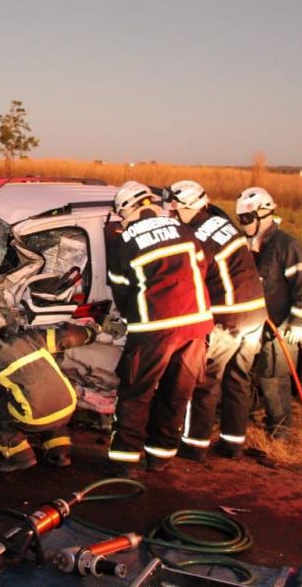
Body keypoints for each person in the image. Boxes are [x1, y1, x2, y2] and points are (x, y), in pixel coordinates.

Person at [105, 181, 214, 473]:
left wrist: (130, 319)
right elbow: (202, 268)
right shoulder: (184, 231)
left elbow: (121, 291)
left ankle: (125, 461)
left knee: (136, 392)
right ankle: (160, 457)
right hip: (195, 325)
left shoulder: (124, 242)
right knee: (176, 393)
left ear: (127, 210)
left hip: (155, 327)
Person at [165, 180, 267, 461]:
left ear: (188, 207)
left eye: (175, 210)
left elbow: (192, 279)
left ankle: (195, 445)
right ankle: (233, 444)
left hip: (229, 319)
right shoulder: (222, 224)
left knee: (206, 381)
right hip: (256, 316)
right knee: (238, 378)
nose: (173, 216)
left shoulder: (197, 237)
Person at [0, 322, 98, 472]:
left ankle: (20, 456)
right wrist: (90, 333)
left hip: (36, 416)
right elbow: (67, 336)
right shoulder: (28, 338)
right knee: (49, 403)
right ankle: (59, 452)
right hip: (68, 405)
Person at [235, 187, 302, 439]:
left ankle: (280, 428)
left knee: (274, 375)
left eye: (247, 218)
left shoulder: (286, 245)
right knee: (245, 371)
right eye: (240, 219)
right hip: (252, 323)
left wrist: (297, 321)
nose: (243, 224)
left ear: (264, 214)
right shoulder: (245, 244)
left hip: (279, 325)